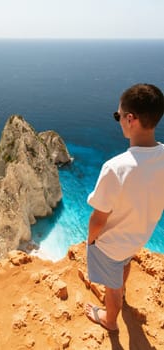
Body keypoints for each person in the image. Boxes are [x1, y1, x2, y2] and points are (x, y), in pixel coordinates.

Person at [85, 83, 164, 332]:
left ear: (130, 119)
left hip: (111, 245)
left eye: (118, 115)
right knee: (125, 263)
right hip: (138, 237)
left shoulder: (116, 168)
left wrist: (91, 241)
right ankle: (122, 289)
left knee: (112, 288)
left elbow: (98, 218)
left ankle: (109, 320)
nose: (118, 120)